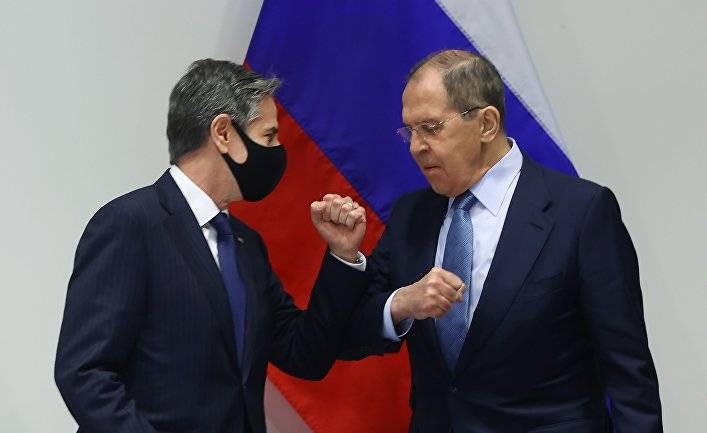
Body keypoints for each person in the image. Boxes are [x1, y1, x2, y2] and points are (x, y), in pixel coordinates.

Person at [340, 50, 662, 432]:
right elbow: (348, 334)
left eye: (430, 128)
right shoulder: (412, 215)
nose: (416, 147)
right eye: (410, 131)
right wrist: (401, 303)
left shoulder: (580, 213)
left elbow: (628, 371)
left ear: (487, 124)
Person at [55, 59, 368, 433]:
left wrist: (342, 255)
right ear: (223, 133)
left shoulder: (246, 244)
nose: (278, 150)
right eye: (269, 136)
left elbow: (304, 354)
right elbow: (85, 373)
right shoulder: (130, 225)